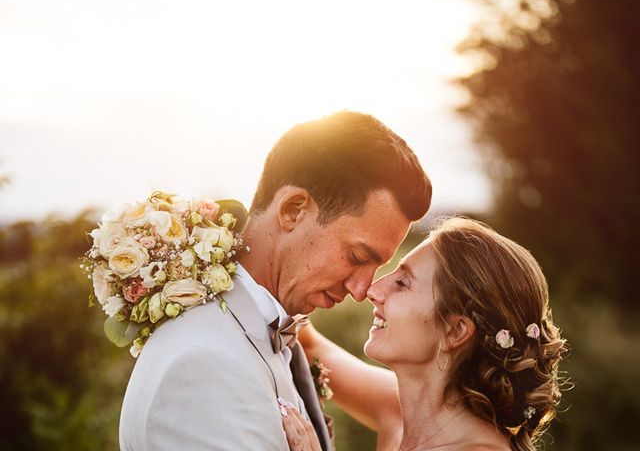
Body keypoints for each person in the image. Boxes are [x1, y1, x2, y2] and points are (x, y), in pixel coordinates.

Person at [118, 111, 432, 450]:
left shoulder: (266, 330)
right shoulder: (206, 365)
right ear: (293, 210)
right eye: (357, 257)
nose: (361, 291)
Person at [285, 217, 567, 451]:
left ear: (455, 331)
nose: (373, 291)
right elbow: (308, 345)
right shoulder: (399, 411)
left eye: (402, 283)